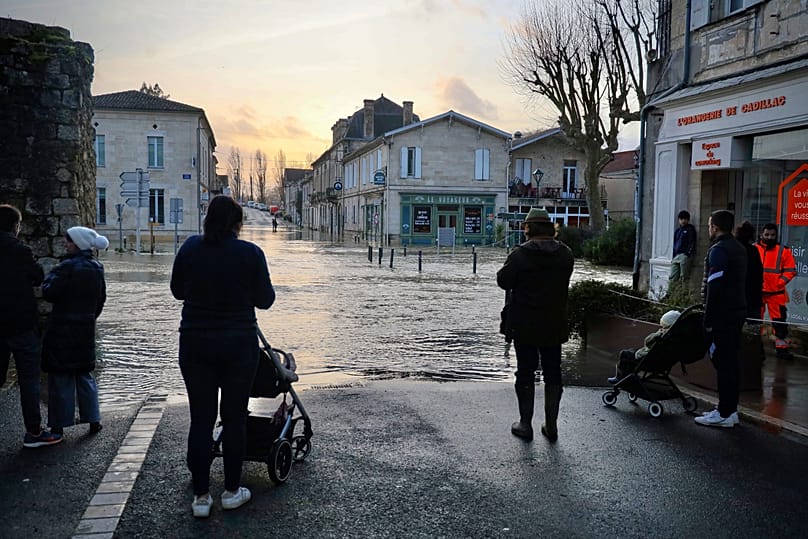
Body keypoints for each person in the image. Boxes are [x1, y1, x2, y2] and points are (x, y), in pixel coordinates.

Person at [170, 195, 276, 518]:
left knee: (201, 418)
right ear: (237, 224)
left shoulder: (189, 248)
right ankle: (232, 491)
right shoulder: (250, 254)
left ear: (207, 220)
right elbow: (266, 300)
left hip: (195, 344)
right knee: (233, 418)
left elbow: (177, 291)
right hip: (238, 347)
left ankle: (201, 497)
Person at [497, 208, 574, 442]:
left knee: (526, 371)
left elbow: (503, 280)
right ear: (550, 228)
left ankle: (525, 424)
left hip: (525, 323)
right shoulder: (565, 253)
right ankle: (551, 426)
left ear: (528, 228)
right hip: (554, 321)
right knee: (553, 372)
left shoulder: (520, 254)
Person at [0, 204, 63, 448]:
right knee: (29, 380)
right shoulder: (20, 250)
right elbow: (38, 276)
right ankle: (34, 432)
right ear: (15, 226)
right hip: (21, 324)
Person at [41, 226, 108, 437]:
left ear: (77, 244)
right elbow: (101, 299)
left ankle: (59, 426)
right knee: (84, 374)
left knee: (61, 376)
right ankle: (93, 419)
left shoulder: (66, 267)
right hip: (86, 328)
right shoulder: (97, 268)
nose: (65, 244)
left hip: (62, 329)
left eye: (68, 241)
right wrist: (89, 317)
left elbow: (49, 292)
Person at [695, 210, 747, 428]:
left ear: (715, 227)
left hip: (723, 316)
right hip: (737, 312)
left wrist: (708, 319)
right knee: (732, 363)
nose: (708, 229)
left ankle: (723, 412)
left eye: (709, 225)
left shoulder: (719, 250)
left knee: (723, 362)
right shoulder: (739, 248)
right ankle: (730, 410)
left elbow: (714, 287)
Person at [755, 223, 797, 359]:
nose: (769, 237)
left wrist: (779, 283)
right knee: (755, 322)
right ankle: (756, 347)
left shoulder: (783, 251)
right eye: (767, 235)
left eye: (772, 235)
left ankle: (782, 349)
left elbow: (790, 270)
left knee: (780, 323)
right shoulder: (754, 249)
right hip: (758, 292)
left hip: (776, 293)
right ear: (761, 234)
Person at [608, 310, 681, 384]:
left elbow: (648, 342)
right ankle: (629, 377)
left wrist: (657, 334)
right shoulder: (677, 336)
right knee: (632, 351)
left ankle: (620, 378)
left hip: (651, 362)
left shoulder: (663, 335)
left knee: (624, 354)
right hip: (664, 363)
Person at [669, 210, 697, 283]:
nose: (683, 221)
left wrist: (687, 253)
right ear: (679, 220)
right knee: (673, 276)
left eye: (685, 219)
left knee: (683, 277)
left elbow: (692, 242)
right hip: (677, 255)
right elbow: (674, 243)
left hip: (684, 255)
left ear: (688, 220)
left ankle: (683, 293)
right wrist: (673, 255)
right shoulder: (677, 231)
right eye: (681, 219)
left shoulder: (690, 229)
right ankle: (671, 292)